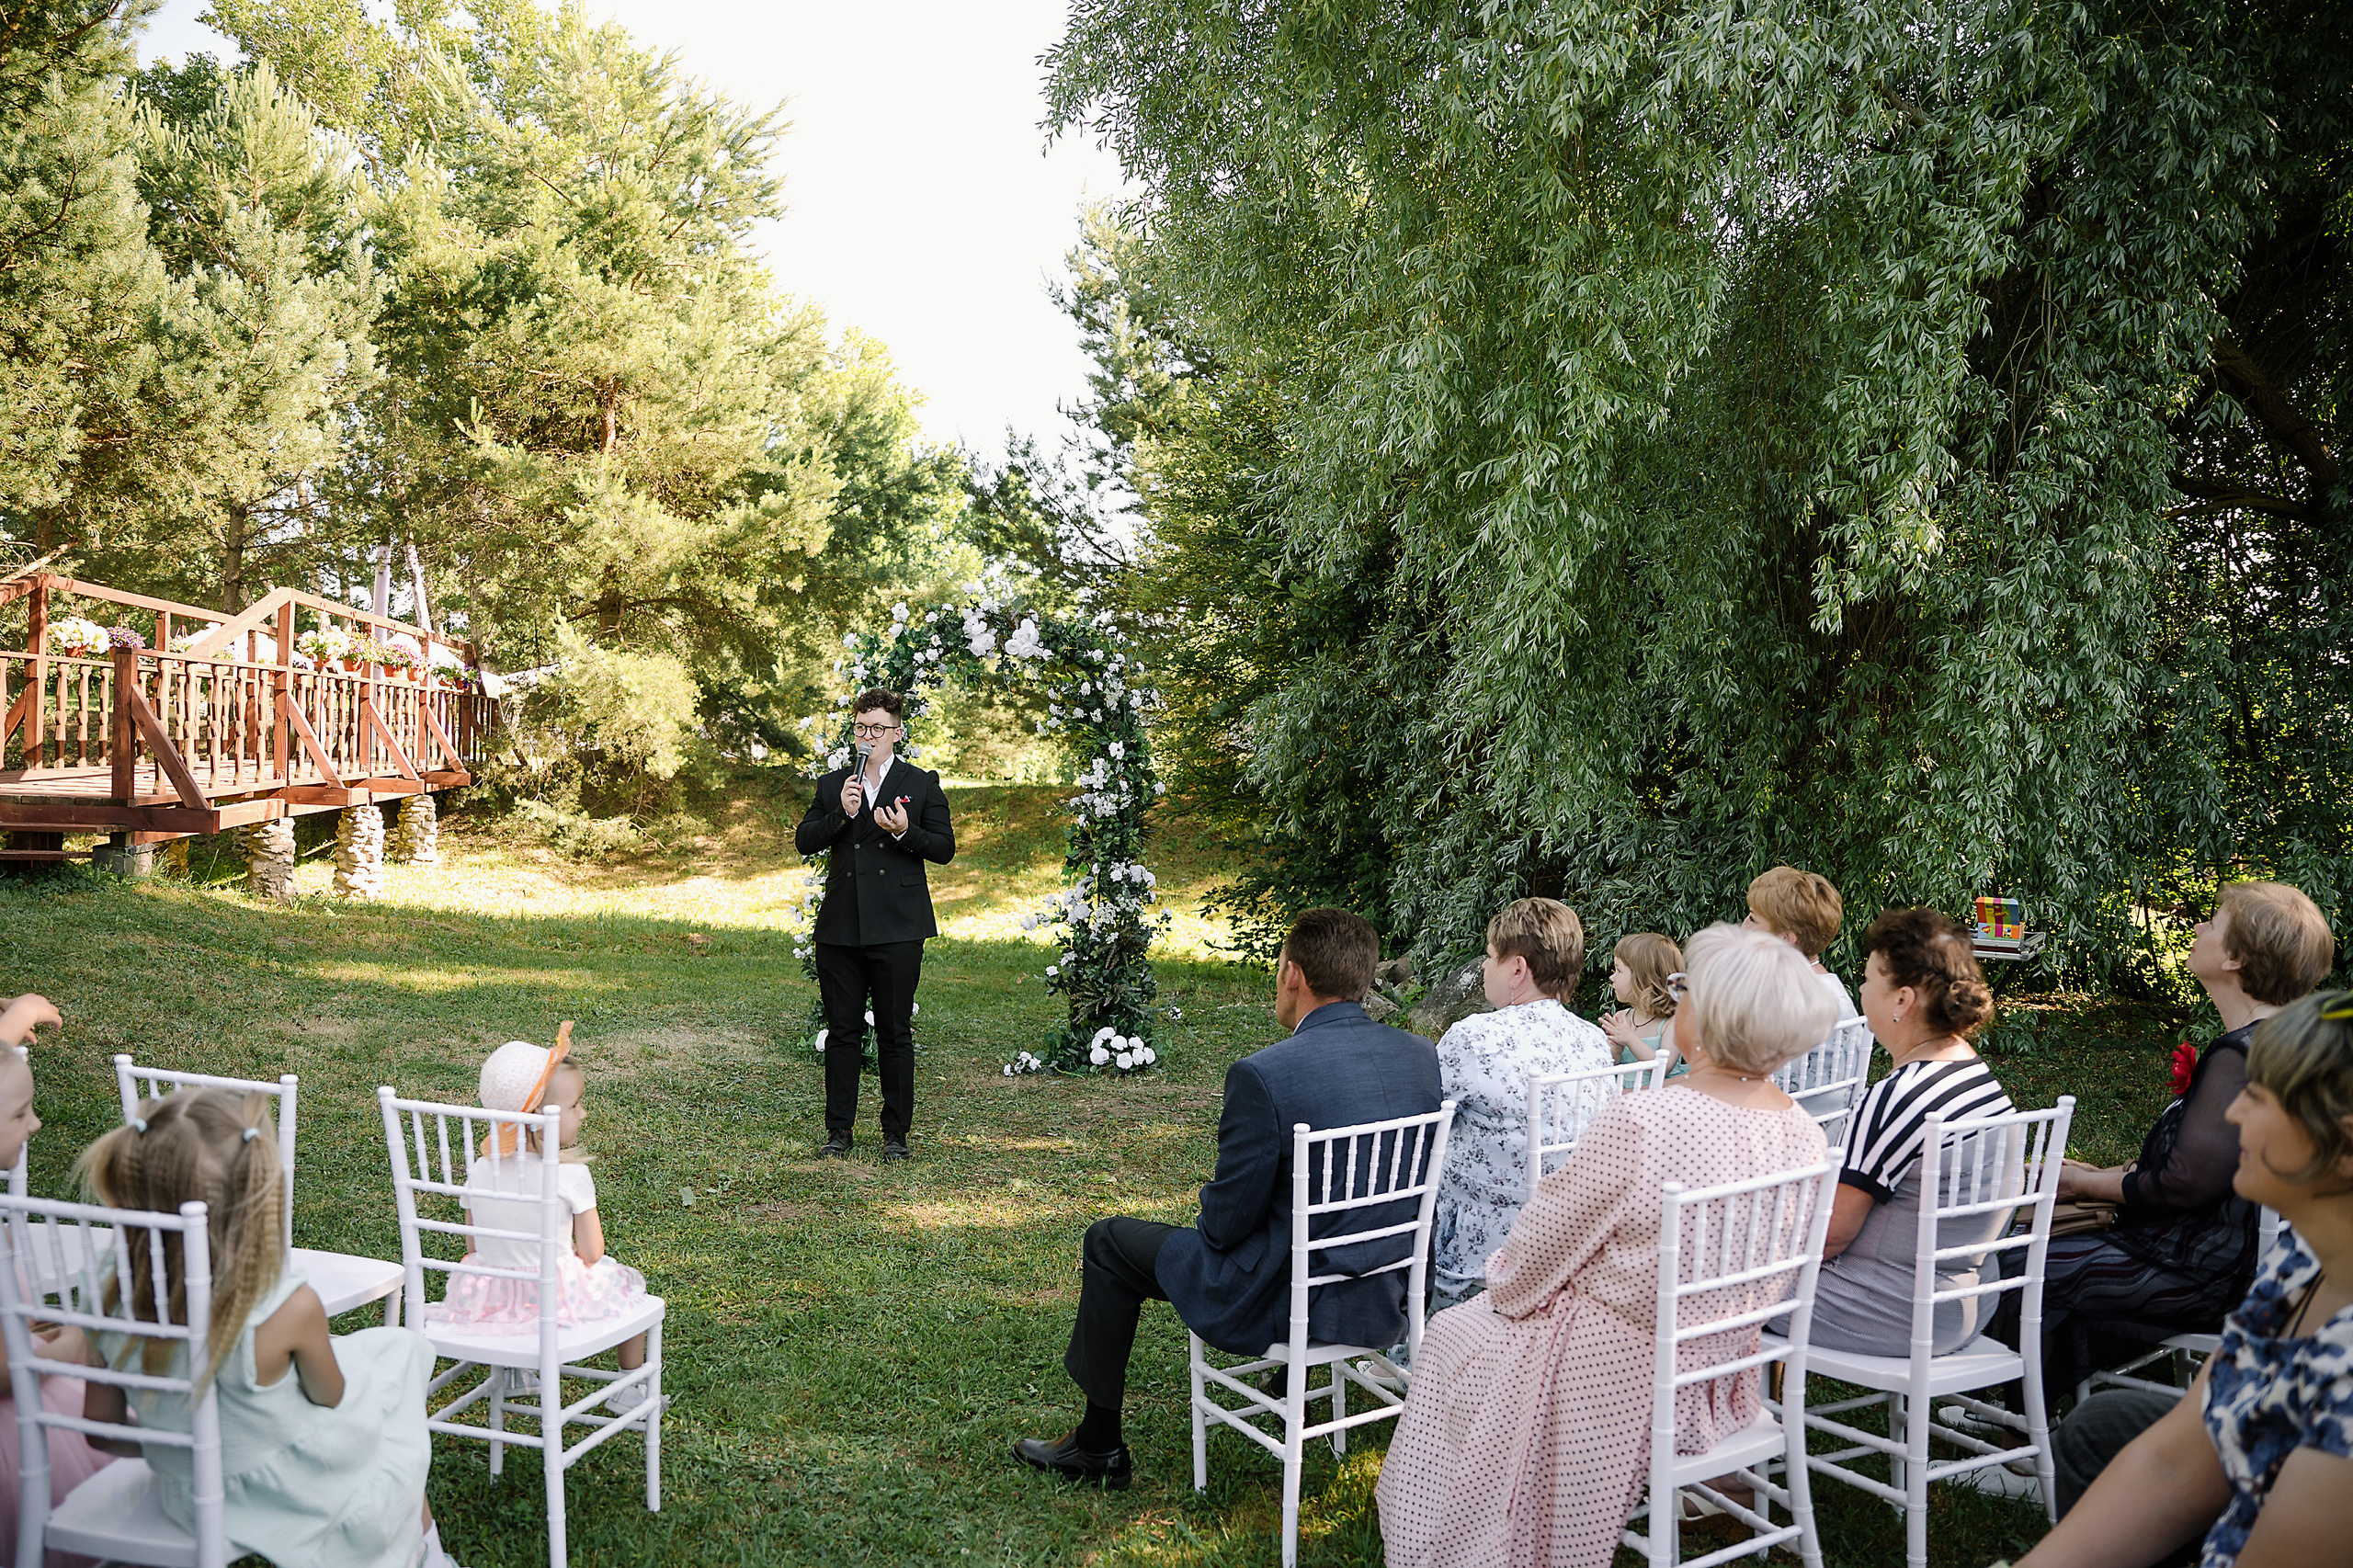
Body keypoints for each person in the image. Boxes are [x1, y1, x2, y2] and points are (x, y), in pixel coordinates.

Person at [1375, 923, 1836, 1568]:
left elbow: (1535, 1254)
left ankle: (1445, 1531)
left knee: (1454, 1332)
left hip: (1615, 1367)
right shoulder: (1804, 1131)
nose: (1677, 1001)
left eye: (1685, 989)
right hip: (1723, 1366)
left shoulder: (1646, 1119)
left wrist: (1506, 1287)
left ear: (1711, 1014)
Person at [1011, 908, 1440, 1489]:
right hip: (1383, 1292)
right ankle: (1276, 1391)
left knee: (1108, 1242)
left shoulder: (1265, 1075)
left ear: (1294, 975)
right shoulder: (1420, 1056)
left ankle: (1097, 1446)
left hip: (1288, 1298)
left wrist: (1214, 1208)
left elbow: (1224, 1227)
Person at [2010, 990, 2353, 1568]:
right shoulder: (2304, 1255)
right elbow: (2176, 1461)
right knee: (2104, 1427)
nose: (2235, 1113)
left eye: (2261, 1097)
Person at [73, 1088, 452, 1568]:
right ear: (257, 1202)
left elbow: (101, 1432)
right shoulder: (288, 1307)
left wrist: (179, 1450)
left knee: (386, 1360)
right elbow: (331, 1398)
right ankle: (428, 1555)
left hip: (185, 1498)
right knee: (396, 1372)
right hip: (292, 1493)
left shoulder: (104, 1294)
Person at [2029, 881, 2335, 1401]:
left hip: (2201, 1268)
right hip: (2247, 1259)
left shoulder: (2240, 1055)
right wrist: (2092, 1180)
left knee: (2020, 1269)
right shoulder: (2291, 1039)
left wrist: (2080, 1179)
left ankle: (2020, 1443)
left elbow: (2183, 1183)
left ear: (2236, 959)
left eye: (2212, 923)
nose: (2197, 928)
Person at [1791, 907, 2013, 1357]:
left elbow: (1830, 1234)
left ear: (1902, 1000)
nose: (1861, 987)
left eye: (1871, 977)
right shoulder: (1979, 1078)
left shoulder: (1901, 1097)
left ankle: (1736, 1419)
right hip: (1963, 1305)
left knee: (1713, 1284)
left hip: (1885, 1310)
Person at [427, 1036, 651, 1403]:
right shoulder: (571, 1176)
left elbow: (473, 1246)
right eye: (575, 1105)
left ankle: (516, 1371)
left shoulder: (482, 1170)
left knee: (509, 1281)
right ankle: (629, 1388)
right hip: (553, 1299)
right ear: (537, 1120)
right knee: (630, 1294)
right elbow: (593, 1253)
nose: (583, 1114)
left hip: (491, 1298)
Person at [793, 687, 955, 1163]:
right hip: (841, 927)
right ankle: (838, 1131)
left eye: (878, 729)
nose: (868, 737)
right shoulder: (834, 785)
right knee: (842, 1031)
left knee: (893, 1030)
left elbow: (944, 848)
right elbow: (804, 841)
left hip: (898, 926)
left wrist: (905, 831)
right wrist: (842, 816)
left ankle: (895, 1135)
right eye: (861, 729)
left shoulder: (921, 783)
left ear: (896, 733)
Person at [1428, 899, 1615, 1309]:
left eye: (1491, 957)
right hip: (1568, 1241)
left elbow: (1422, 1121)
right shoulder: (1593, 1040)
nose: (1483, 966)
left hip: (1481, 1253)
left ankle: (1419, 1354)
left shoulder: (1473, 1038)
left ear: (1517, 969)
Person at [0, 997, 117, 1568]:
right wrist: (75, 1342)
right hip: (17, 1443)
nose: (36, 1124)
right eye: (20, 1114)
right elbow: (3, 1369)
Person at [1744, 865, 1859, 1017]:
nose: (1744, 925)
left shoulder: (1786, 997)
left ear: (1786, 938)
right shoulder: (1827, 984)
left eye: (1752, 919)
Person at [1599, 932, 1684, 1073]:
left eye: (1619, 970)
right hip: (1624, 1093)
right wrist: (1616, 1051)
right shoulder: (1622, 1018)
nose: (1612, 977)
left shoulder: (1671, 1023)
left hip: (1660, 1094)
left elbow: (1663, 1067)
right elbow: (1607, 1069)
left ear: (1643, 979)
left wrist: (1629, 1039)